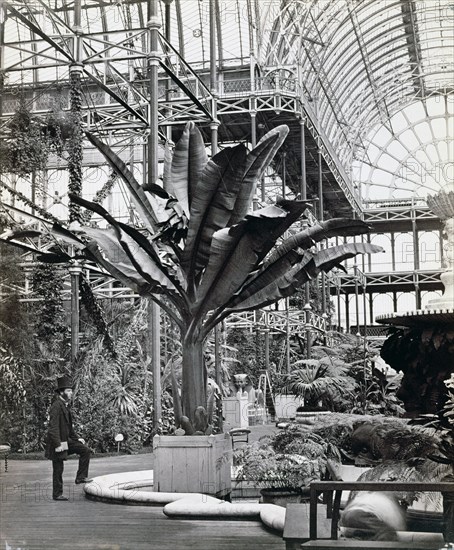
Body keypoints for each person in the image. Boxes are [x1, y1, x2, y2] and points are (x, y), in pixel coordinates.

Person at [45, 375, 92, 501]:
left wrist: (77, 439)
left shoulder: (64, 405)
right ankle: (57, 494)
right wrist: (57, 445)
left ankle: (81, 477)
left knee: (85, 450)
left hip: (66, 441)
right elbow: (52, 428)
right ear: (61, 392)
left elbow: (69, 429)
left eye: (71, 390)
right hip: (58, 443)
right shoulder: (56, 406)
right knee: (58, 468)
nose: (71, 393)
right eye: (68, 391)